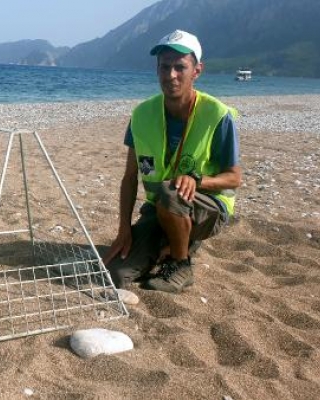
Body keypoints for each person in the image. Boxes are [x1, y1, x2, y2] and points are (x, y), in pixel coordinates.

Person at [102, 29, 241, 293]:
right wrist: (124, 231)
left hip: (207, 210)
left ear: (197, 71)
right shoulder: (142, 115)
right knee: (116, 273)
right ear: (157, 69)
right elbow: (130, 177)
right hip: (160, 210)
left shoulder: (217, 115)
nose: (171, 75)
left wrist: (197, 180)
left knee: (170, 193)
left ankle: (180, 263)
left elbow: (234, 178)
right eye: (164, 67)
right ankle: (172, 240)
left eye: (180, 67)